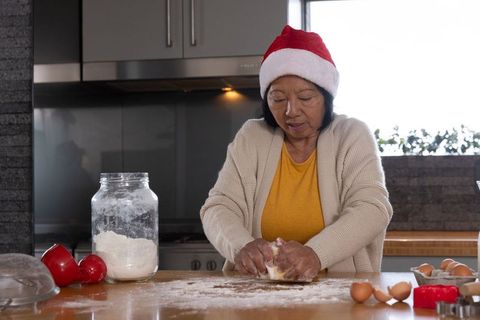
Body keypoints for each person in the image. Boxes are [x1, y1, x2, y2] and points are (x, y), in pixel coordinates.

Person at [200, 25, 393, 281]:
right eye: (278, 98)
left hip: (340, 296)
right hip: (257, 296)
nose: (291, 111)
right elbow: (219, 206)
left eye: (305, 97)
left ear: (326, 98)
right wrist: (240, 246)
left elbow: (373, 208)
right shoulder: (252, 136)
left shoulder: (352, 135)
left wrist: (315, 254)